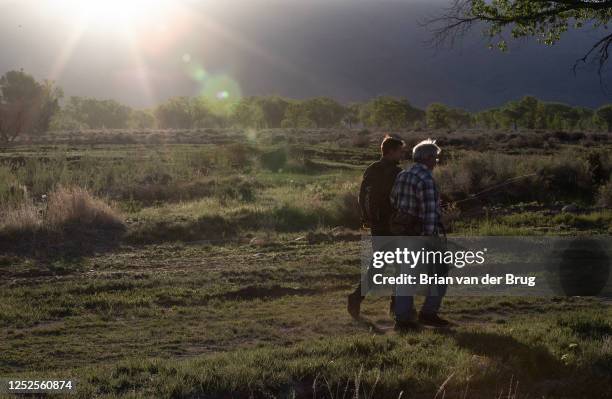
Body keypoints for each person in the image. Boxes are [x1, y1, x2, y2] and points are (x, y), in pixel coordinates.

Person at [389, 139, 450, 330]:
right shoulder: (426, 179)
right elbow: (430, 214)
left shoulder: (404, 174)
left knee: (406, 275)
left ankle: (402, 319)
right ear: (428, 158)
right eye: (436, 158)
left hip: (403, 231)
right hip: (423, 235)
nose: (437, 161)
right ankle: (428, 313)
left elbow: (393, 199)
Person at [347, 135, 405, 319]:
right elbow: (399, 200)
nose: (402, 154)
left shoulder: (371, 169)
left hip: (376, 224)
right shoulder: (396, 172)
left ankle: (362, 299)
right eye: (400, 151)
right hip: (392, 225)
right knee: (396, 267)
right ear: (391, 151)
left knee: (383, 266)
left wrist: (367, 218)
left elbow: (362, 195)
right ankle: (392, 307)